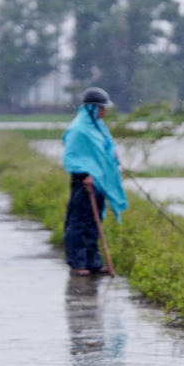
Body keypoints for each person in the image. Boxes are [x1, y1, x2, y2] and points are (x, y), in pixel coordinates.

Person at [62, 87, 127, 276]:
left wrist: (111, 155)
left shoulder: (97, 127)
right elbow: (72, 156)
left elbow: (104, 148)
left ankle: (93, 262)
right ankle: (78, 262)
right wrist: (83, 175)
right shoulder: (78, 129)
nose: (104, 112)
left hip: (98, 181)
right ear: (91, 108)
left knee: (93, 222)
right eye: (101, 108)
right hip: (84, 181)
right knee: (79, 222)